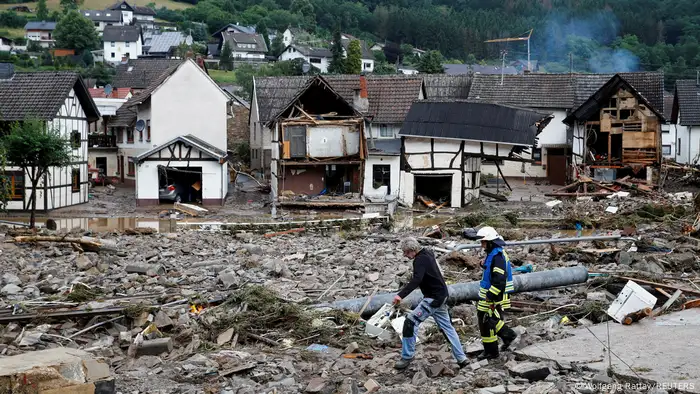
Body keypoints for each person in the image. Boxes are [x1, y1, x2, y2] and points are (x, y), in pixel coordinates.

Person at [393, 237, 469, 370]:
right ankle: (462, 358)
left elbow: (417, 279)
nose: (405, 255)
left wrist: (400, 295)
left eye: (405, 252)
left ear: (412, 250)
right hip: (442, 295)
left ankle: (407, 357)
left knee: (410, 322)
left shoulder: (419, 260)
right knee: (448, 328)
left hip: (432, 299)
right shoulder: (427, 252)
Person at [475, 226, 518, 360]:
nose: (482, 245)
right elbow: (492, 271)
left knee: (489, 321)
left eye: (483, 242)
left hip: (494, 295)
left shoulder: (497, 256)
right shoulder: (494, 253)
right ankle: (491, 350)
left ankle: (505, 340)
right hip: (489, 294)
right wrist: (484, 265)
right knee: (486, 320)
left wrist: (490, 295)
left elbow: (499, 280)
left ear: (491, 242)